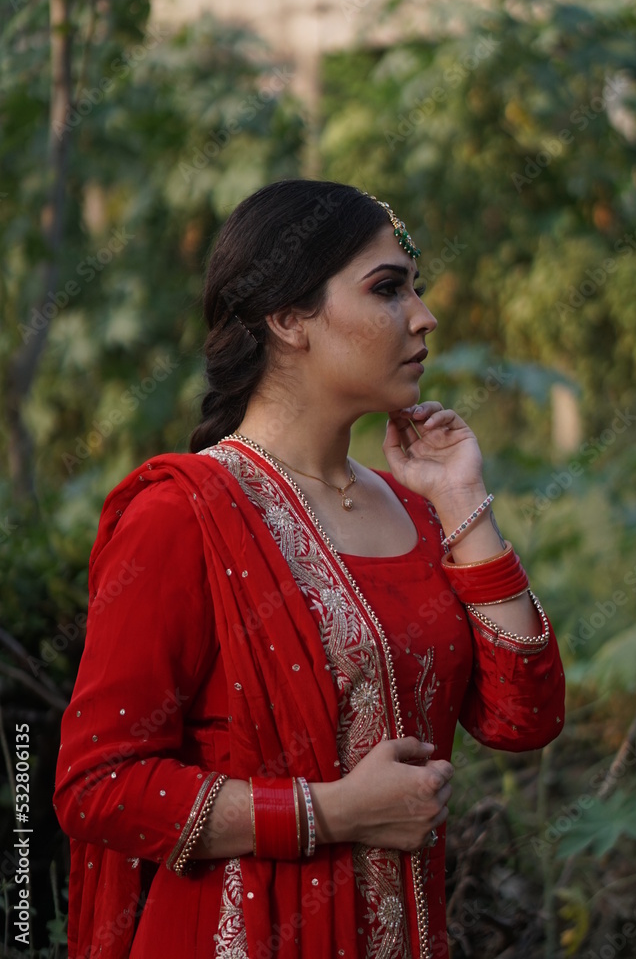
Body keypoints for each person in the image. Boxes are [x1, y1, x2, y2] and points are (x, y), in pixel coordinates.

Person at [53, 179, 565, 959]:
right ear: (287, 319)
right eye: (388, 289)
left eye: (414, 291)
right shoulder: (185, 514)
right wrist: (328, 812)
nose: (423, 317)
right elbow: (96, 787)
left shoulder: (421, 510)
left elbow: (522, 718)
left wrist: (464, 499)